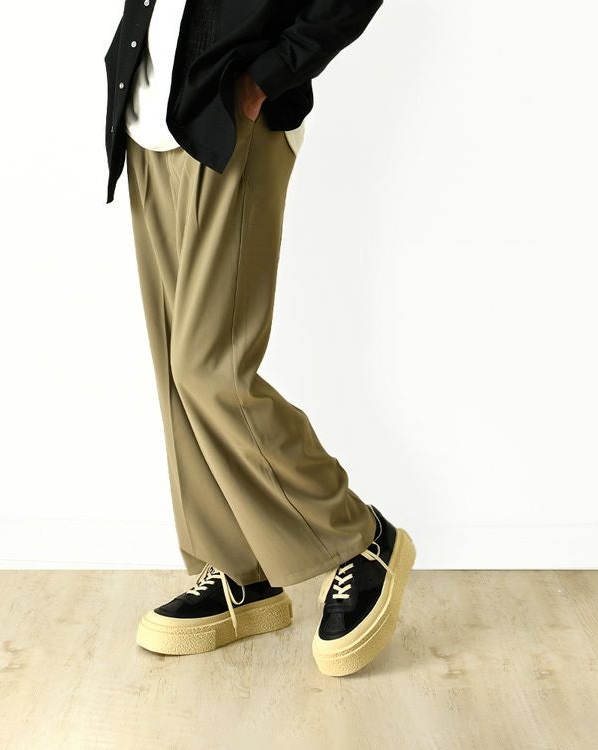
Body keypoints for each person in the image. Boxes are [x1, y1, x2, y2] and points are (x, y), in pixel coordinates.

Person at [103, 0, 414, 677]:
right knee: (176, 371)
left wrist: (264, 78)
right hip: (148, 114)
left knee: (209, 369)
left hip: (228, 110)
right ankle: (238, 572)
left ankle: (358, 538)